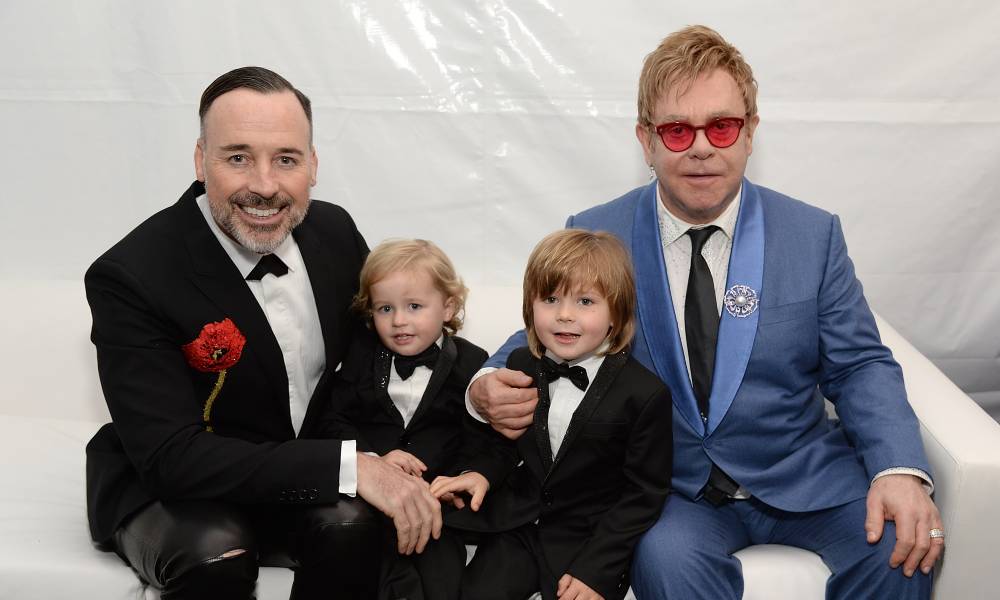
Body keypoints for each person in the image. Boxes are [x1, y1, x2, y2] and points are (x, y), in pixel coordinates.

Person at [468, 26, 943, 599]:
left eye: (721, 126)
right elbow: (545, 332)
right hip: (673, 494)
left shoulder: (812, 235)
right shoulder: (600, 231)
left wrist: (898, 469)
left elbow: (860, 364)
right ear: (645, 140)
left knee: (903, 546)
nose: (701, 147)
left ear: (749, 133)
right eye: (676, 130)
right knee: (666, 561)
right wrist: (485, 385)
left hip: (804, 476)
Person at [84, 66, 441, 600]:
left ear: (313, 166)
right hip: (178, 485)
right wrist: (350, 466)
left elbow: (390, 345)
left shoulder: (334, 232)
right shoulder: (131, 275)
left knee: (353, 530)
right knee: (215, 556)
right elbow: (171, 459)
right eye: (237, 157)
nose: (265, 185)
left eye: (286, 159)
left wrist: (481, 387)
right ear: (201, 161)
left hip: (303, 470)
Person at [432, 229, 673, 600]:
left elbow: (642, 495)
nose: (564, 315)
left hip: (587, 542)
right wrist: (481, 474)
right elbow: (507, 446)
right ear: (530, 306)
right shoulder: (519, 364)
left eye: (585, 302)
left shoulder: (644, 394)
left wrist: (597, 569)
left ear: (617, 313)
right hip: (519, 531)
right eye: (550, 299)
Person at [326, 238, 491, 599]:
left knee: (443, 582)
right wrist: (373, 458)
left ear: (448, 307)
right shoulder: (359, 356)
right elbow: (333, 419)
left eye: (414, 306)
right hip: (371, 507)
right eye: (385, 309)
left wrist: (460, 478)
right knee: (377, 579)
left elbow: (482, 438)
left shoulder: (473, 363)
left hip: (440, 514)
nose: (399, 321)